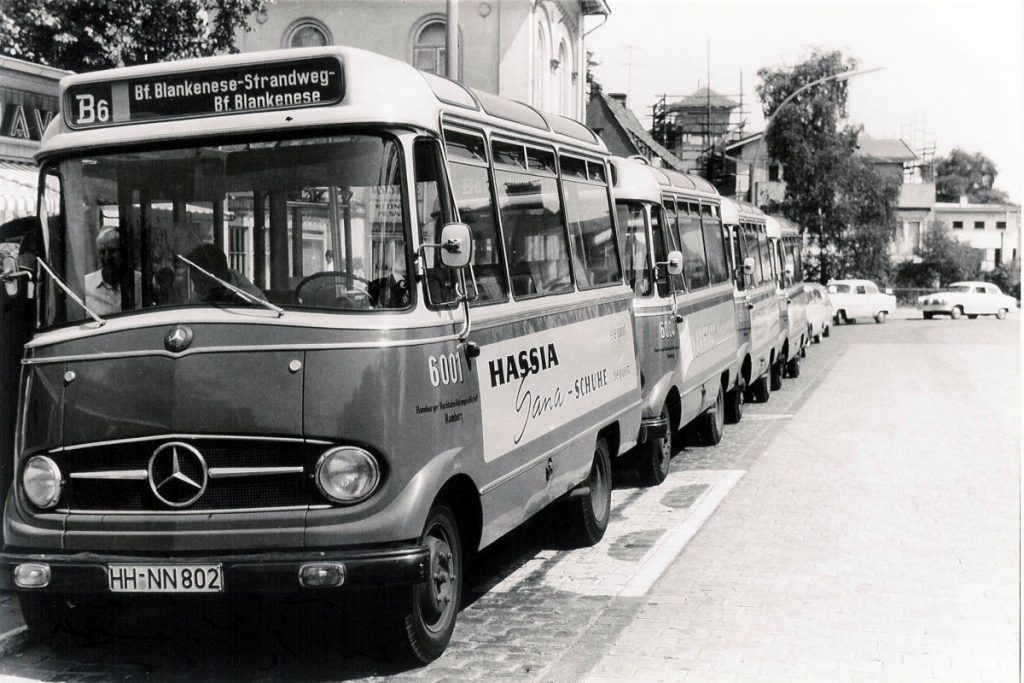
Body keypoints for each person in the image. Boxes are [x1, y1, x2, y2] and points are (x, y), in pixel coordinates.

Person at [84, 228, 141, 315]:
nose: (107, 258)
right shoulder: (86, 285)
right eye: (102, 252)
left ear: (125, 252)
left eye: (112, 251)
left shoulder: (140, 283)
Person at [184, 243, 264, 304]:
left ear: (221, 275)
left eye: (202, 282)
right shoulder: (199, 296)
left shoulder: (252, 298)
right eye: (194, 281)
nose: (196, 288)